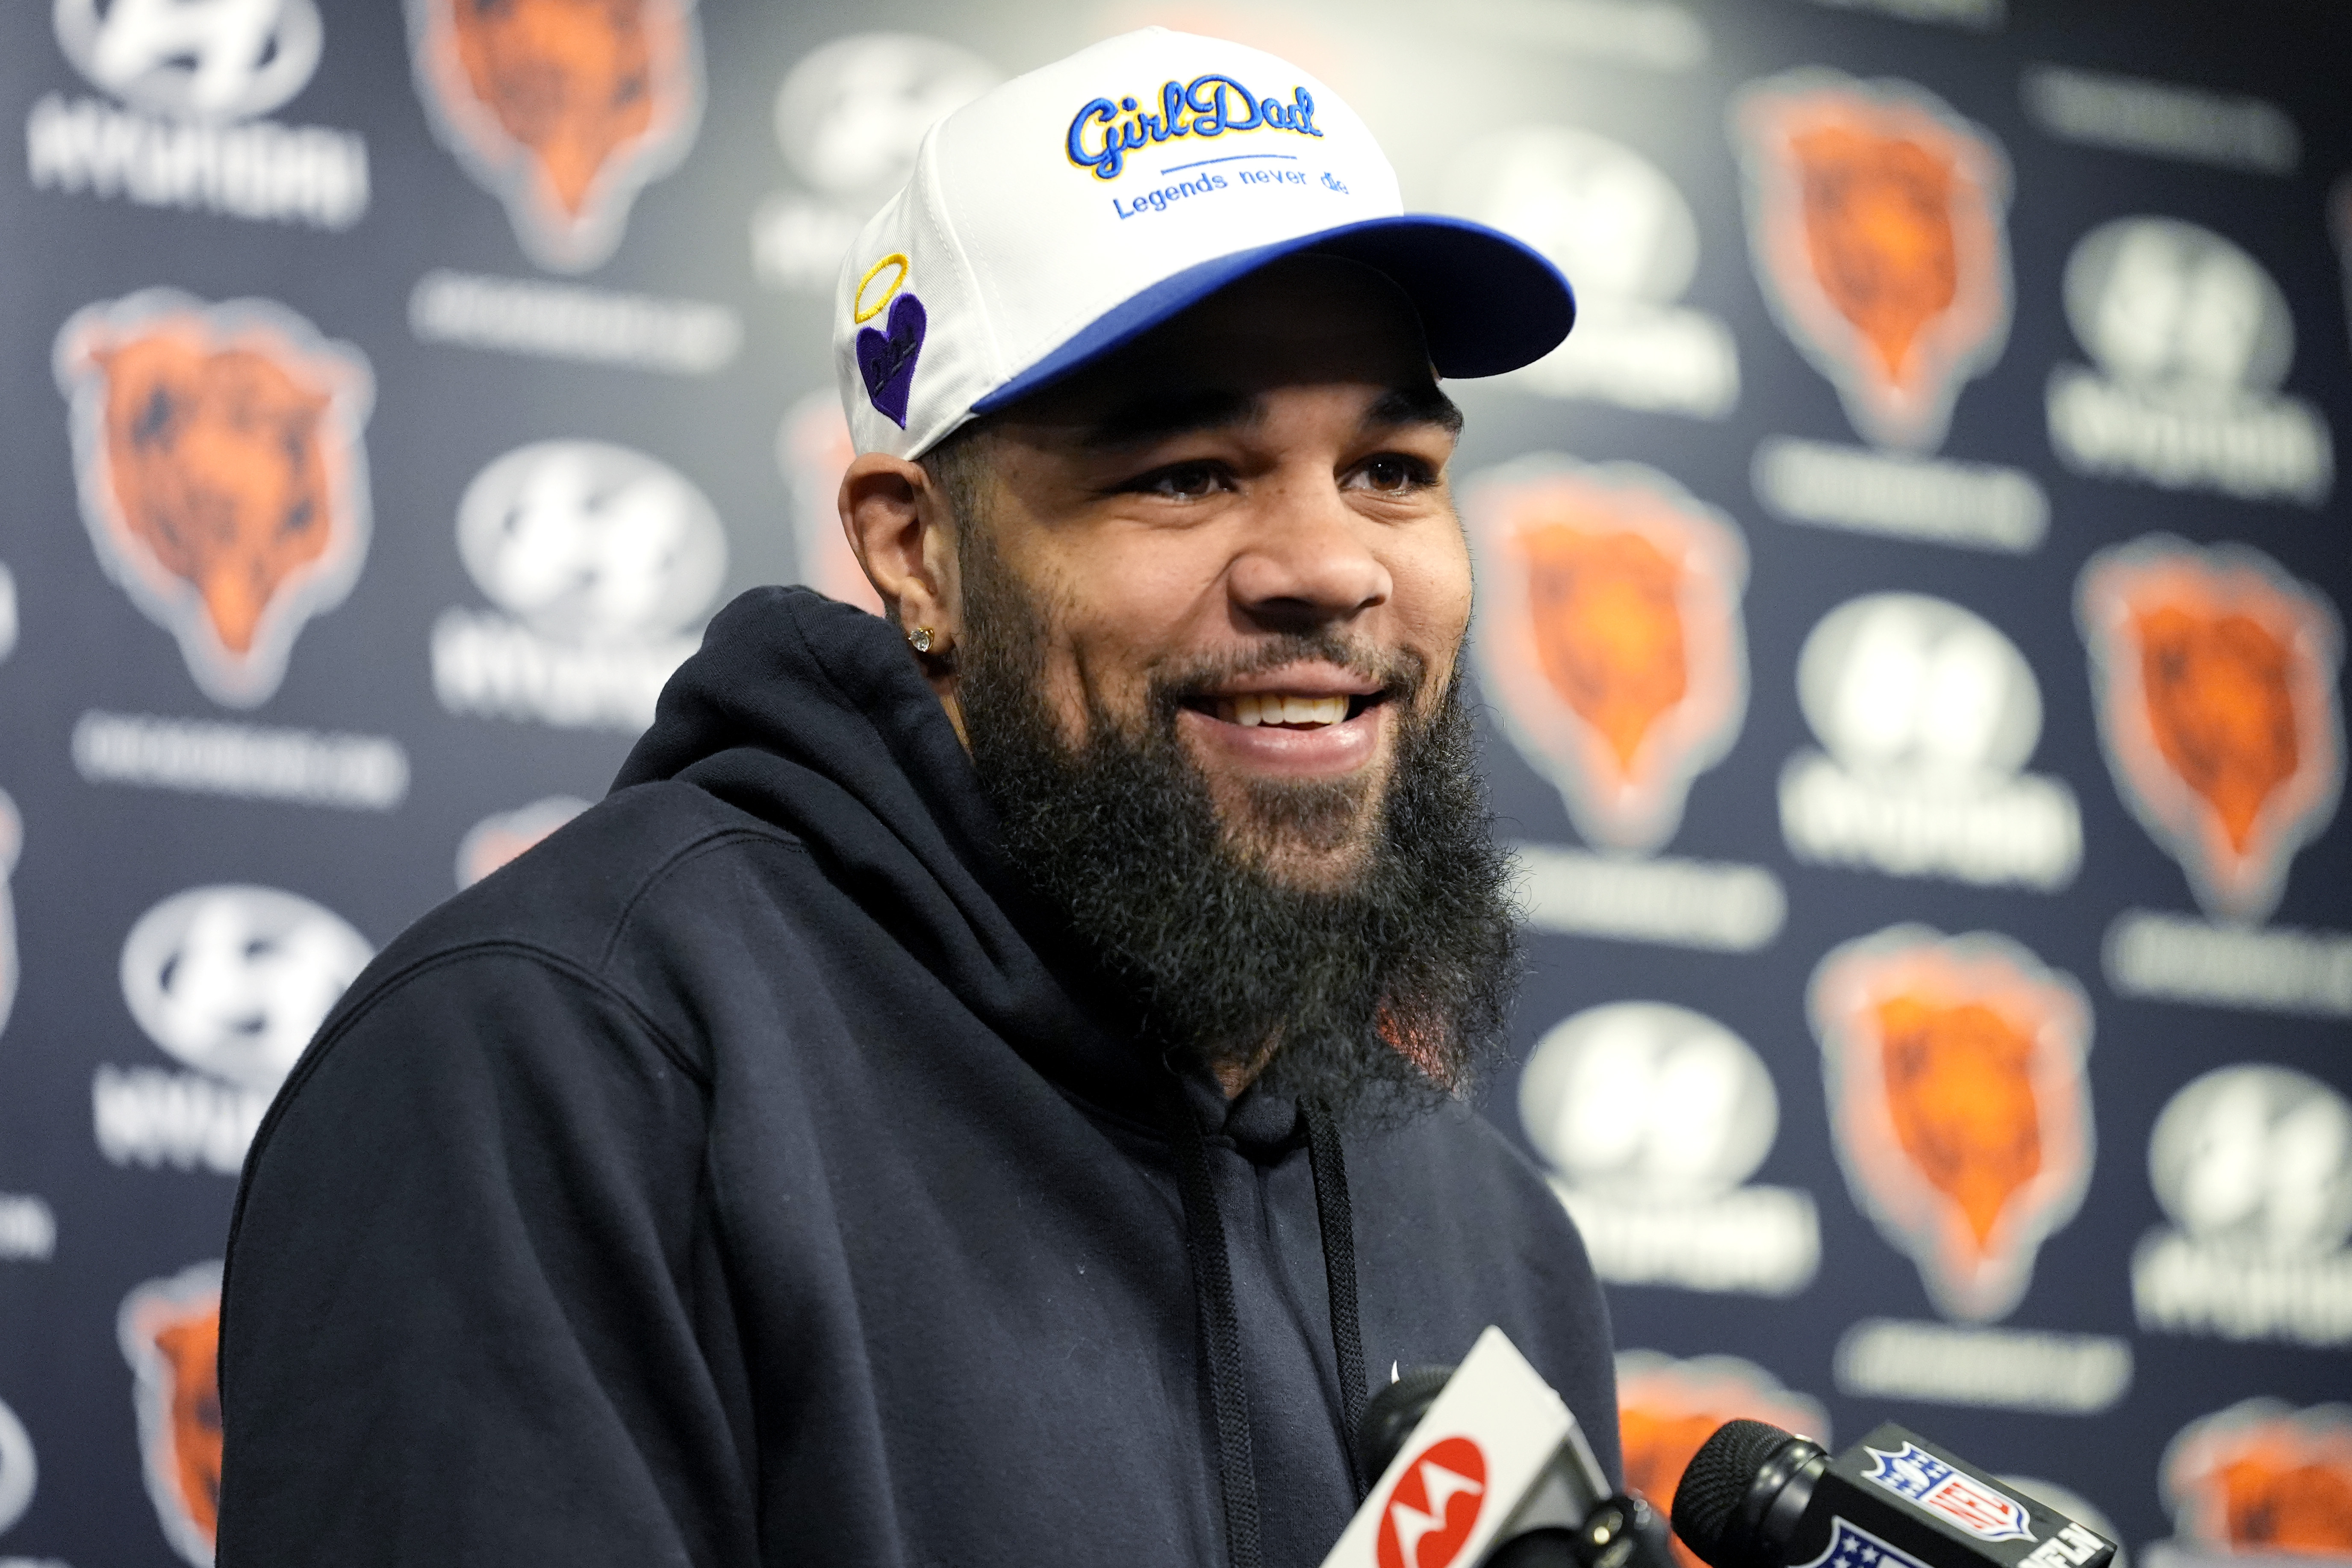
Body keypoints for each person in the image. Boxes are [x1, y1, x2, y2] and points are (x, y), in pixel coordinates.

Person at [218, 27, 1615, 1567]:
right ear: (914, 551)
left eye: (1394, 470)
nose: (1334, 566)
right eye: (1186, 472)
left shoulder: (1491, 1230)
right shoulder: (565, 1068)